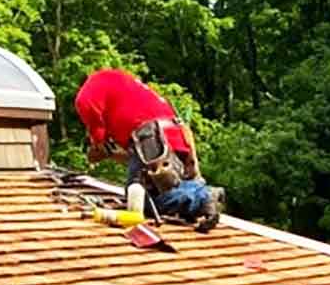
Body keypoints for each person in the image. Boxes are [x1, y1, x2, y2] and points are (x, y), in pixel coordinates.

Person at [74, 69, 222, 232]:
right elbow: (135, 157)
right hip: (172, 136)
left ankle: (202, 198)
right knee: (169, 191)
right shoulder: (120, 83)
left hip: (151, 138)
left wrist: (97, 145)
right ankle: (198, 195)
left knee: (144, 202)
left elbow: (87, 110)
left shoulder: (87, 92)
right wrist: (194, 166)